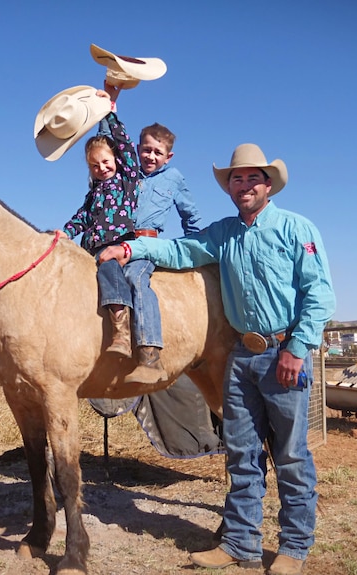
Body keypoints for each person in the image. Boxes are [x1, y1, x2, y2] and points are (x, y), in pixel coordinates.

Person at [99, 143, 335, 575]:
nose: (243, 185)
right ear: (229, 188)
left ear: (268, 184)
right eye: (236, 179)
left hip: (285, 353)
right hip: (242, 356)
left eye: (251, 178)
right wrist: (132, 250)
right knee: (241, 454)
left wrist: (298, 349)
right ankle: (241, 542)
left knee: (290, 455)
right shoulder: (223, 233)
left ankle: (294, 547)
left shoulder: (296, 228)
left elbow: (319, 295)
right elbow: (182, 251)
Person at [97, 83, 200, 384]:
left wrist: (194, 251)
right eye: (146, 149)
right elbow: (112, 143)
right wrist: (110, 106)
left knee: (136, 279)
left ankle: (149, 354)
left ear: (169, 156)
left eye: (158, 152)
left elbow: (191, 216)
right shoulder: (128, 172)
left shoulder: (174, 179)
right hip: (118, 241)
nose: (151, 156)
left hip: (147, 243)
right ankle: (109, 340)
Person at [48, 83, 140, 361]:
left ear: (116, 160)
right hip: (92, 248)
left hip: (116, 247)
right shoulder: (94, 193)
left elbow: (123, 144)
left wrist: (109, 112)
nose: (101, 168)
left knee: (109, 271)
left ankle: (122, 331)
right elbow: (82, 217)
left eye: (105, 162)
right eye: (94, 165)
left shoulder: (127, 181)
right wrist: (66, 232)